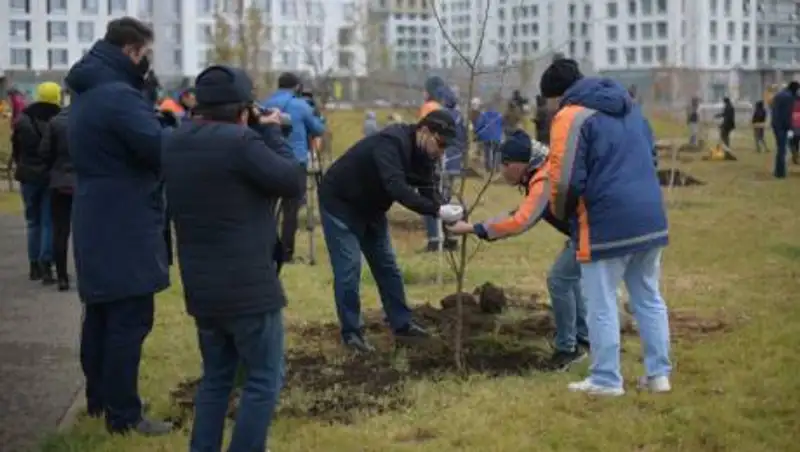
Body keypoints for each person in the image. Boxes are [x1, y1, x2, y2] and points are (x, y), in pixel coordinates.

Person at [163, 65, 303, 452]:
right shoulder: (241, 144)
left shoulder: (173, 142)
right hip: (248, 288)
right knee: (262, 379)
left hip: (202, 286)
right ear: (243, 111)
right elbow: (291, 180)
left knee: (216, 379)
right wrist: (272, 131)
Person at [64, 17, 172, 435]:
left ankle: (98, 399)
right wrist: (165, 123)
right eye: (147, 54)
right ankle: (124, 416)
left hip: (96, 213)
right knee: (129, 317)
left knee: (102, 315)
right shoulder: (118, 96)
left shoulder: (90, 89)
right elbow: (157, 148)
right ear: (133, 51)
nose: (148, 62)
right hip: (124, 217)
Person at [540, 58, 671, 396]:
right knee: (648, 296)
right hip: (650, 215)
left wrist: (561, 212)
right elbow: (651, 156)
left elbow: (565, 179)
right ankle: (658, 376)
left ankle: (606, 380)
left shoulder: (570, 116)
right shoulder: (630, 107)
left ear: (556, 95)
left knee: (601, 300)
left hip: (605, 221)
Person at [318, 109, 464, 353]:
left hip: (372, 208)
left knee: (388, 267)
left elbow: (428, 189)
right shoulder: (390, 143)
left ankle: (402, 324)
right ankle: (352, 333)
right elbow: (396, 187)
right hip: (341, 204)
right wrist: (438, 210)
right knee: (349, 270)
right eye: (440, 143)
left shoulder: (426, 156)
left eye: (446, 147)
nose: (442, 151)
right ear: (425, 131)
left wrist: (446, 215)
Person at [447, 129, 589, 370]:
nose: (502, 170)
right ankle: (584, 338)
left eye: (506, 164)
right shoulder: (542, 172)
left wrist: (474, 228)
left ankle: (568, 349)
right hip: (588, 228)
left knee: (559, 279)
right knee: (569, 278)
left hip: (594, 229)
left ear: (523, 163)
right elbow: (520, 213)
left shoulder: (545, 179)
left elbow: (520, 220)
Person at [261, 72, 326, 263]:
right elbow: (318, 130)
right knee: (291, 210)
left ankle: (267, 249)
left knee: (269, 208)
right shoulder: (301, 105)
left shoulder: (265, 104)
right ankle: (287, 253)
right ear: (297, 87)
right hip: (295, 163)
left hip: (268, 160)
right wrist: (318, 116)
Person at [10, 82, 62, 284]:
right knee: (49, 221)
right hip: (50, 176)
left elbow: (16, 148)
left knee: (33, 221)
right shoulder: (59, 119)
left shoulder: (23, 118)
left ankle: (33, 266)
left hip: (28, 176)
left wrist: (20, 164)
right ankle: (46, 264)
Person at [419, 76, 466, 252]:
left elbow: (425, 137)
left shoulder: (431, 109)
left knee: (429, 199)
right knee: (446, 200)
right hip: (454, 162)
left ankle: (434, 240)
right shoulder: (457, 112)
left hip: (439, 161)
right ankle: (451, 238)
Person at [38, 96, 74, 291]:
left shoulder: (56, 122)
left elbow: (44, 152)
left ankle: (61, 277)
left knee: (60, 230)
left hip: (59, 181)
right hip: (83, 182)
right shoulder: (88, 120)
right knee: (85, 231)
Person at [770, 81, 799, 178]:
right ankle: (780, 173)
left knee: (780, 149)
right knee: (782, 149)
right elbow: (787, 115)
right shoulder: (789, 97)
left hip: (775, 124)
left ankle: (778, 171)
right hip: (782, 126)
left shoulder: (780, 94)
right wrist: (790, 128)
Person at [474, 100, 504, 172]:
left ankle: (488, 168)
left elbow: (479, 125)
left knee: (487, 153)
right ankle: (497, 167)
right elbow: (503, 125)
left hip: (487, 137)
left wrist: (477, 132)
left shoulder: (483, 115)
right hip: (497, 137)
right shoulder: (499, 115)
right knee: (496, 153)